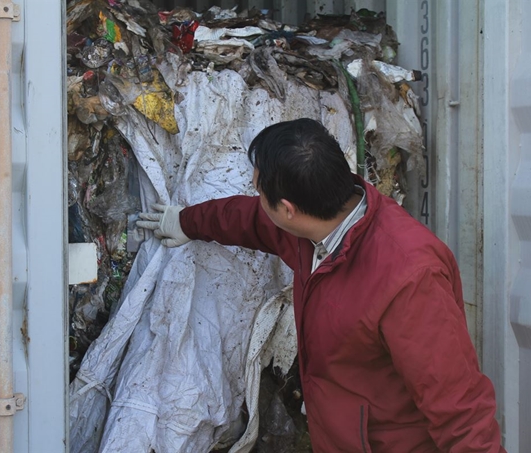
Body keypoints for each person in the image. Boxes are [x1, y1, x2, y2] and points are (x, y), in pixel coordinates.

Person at [137, 118, 505, 452]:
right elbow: (248, 219)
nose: (254, 194)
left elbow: (461, 411)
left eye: (258, 188)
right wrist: (185, 222)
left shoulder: (410, 279)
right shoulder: (313, 227)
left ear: (288, 209)